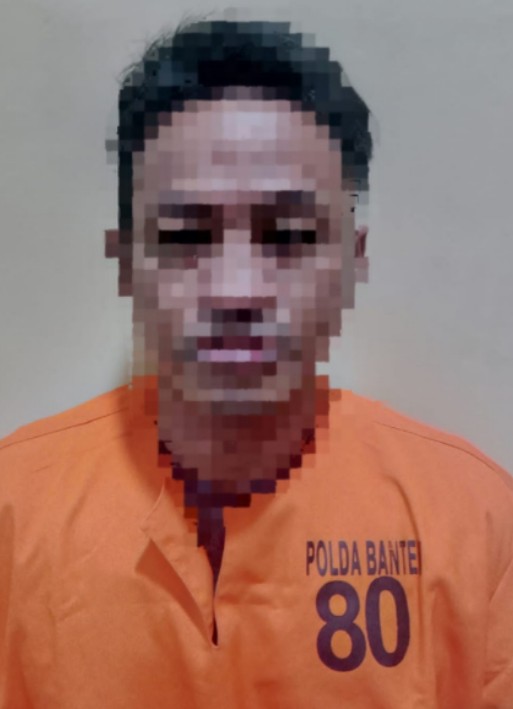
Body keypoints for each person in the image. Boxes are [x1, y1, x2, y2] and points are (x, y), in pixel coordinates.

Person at [1, 18, 512, 709]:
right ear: (124, 263)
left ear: (352, 262)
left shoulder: (474, 522)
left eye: (289, 235)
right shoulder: (14, 511)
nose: (236, 289)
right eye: (185, 235)